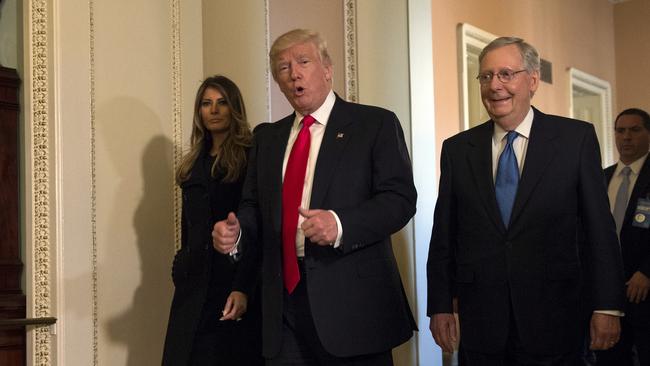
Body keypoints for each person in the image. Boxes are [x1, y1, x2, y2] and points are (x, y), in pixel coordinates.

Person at [212, 28, 417, 365]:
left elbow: (399, 199)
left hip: (354, 309)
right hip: (283, 309)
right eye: (283, 68)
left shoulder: (374, 124)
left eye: (303, 62)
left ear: (327, 68)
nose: (294, 74)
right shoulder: (267, 138)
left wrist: (340, 225)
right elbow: (252, 206)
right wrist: (236, 235)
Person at [426, 36, 626, 365]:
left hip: (555, 319)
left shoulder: (574, 140)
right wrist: (441, 305)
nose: (495, 86)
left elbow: (599, 230)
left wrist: (607, 305)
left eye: (506, 74)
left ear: (532, 80)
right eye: (487, 76)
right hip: (482, 325)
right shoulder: (458, 149)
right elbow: (445, 234)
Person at [162, 75, 263, 366]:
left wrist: (243, 286)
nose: (214, 110)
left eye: (222, 103)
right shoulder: (193, 163)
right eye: (206, 103)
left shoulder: (248, 157)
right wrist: (179, 266)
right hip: (192, 286)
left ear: (234, 108)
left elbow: (256, 227)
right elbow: (188, 228)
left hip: (230, 283)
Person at [597, 108, 650, 366]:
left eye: (634, 130)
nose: (626, 137)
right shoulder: (600, 178)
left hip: (644, 289)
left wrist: (647, 271)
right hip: (607, 295)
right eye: (620, 131)